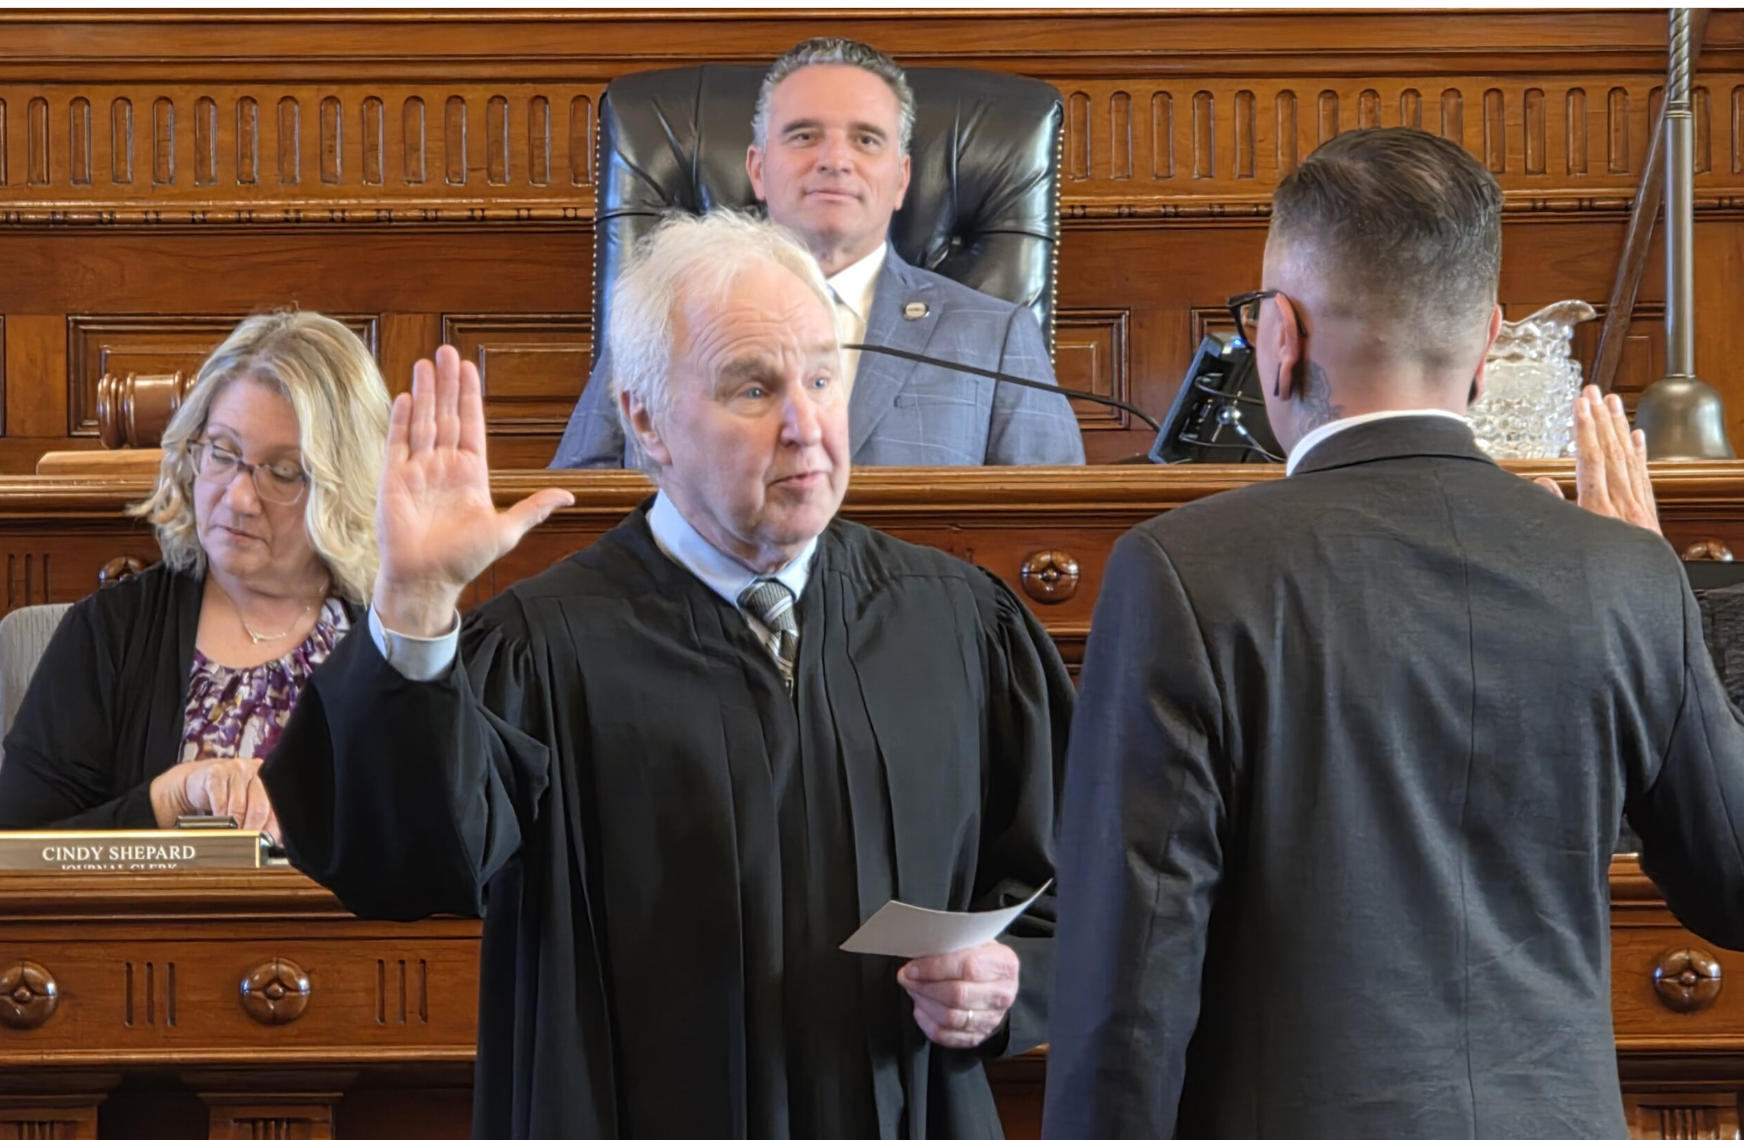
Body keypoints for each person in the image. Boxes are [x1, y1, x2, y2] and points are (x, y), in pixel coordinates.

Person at [262, 211, 1069, 1140]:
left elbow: (1076, 885)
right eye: (753, 388)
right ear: (645, 419)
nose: (806, 426)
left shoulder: (961, 624)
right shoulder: (543, 648)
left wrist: (1015, 982)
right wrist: (413, 609)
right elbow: (396, 863)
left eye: (819, 376)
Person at [1042, 127, 1744, 1140]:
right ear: (1487, 344)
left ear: (1279, 335)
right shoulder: (1624, 569)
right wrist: (1656, 593)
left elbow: (1130, 990)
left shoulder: (1184, 571)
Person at [552, 37, 1086, 469]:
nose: (834, 160)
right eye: (804, 136)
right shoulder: (661, 317)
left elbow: (1050, 546)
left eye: (867, 140)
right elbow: (577, 510)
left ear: (901, 180)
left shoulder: (995, 339)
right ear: (758, 169)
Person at [0, 310, 390, 838]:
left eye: (281, 472)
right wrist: (167, 799)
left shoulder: (394, 642)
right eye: (223, 453)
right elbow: (21, 855)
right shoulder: (110, 632)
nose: (239, 498)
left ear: (344, 486)